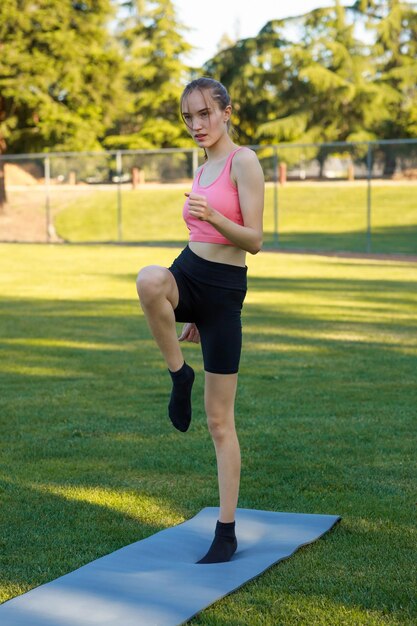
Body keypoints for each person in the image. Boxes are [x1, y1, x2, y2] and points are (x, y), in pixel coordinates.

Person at [136, 77, 264, 564]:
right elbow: (198, 243)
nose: (196, 125)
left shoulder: (242, 161)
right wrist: (182, 307)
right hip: (189, 272)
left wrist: (212, 215)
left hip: (226, 293)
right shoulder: (202, 165)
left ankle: (226, 531)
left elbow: (253, 240)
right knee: (150, 280)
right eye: (188, 117)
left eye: (205, 114)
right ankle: (178, 372)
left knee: (218, 421)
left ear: (227, 112)